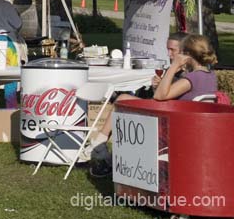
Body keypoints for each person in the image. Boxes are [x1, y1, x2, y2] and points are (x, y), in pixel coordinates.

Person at [89, 34, 218, 177]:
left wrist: (174, 66)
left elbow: (159, 97)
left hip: (173, 125)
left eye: (179, 52)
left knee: (122, 100)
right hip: (188, 123)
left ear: (187, 54)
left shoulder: (193, 77)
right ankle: (109, 155)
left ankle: (102, 146)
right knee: (124, 101)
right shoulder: (210, 76)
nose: (173, 55)